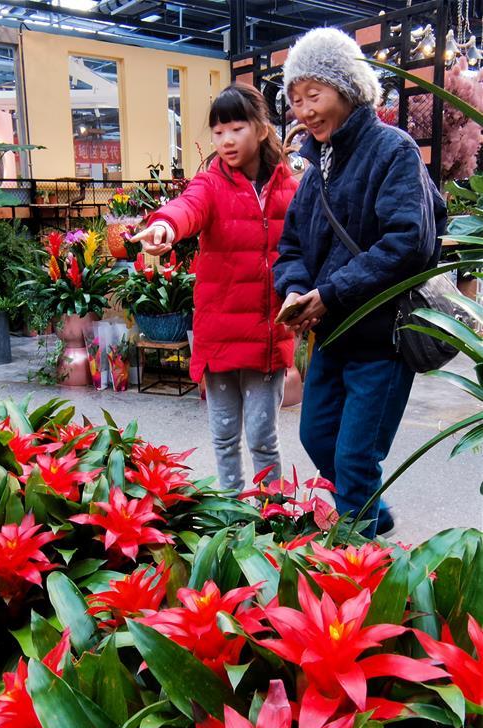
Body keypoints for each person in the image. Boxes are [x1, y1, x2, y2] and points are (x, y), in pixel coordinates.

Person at [273, 27, 447, 537]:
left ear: (347, 89)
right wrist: (294, 290)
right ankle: (374, 510)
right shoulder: (314, 171)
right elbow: (292, 248)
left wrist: (329, 293)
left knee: (353, 459)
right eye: (296, 99)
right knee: (317, 437)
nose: (304, 110)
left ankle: (358, 570)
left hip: (381, 340)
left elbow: (408, 241)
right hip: (331, 336)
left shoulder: (394, 151)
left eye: (314, 95)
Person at [131, 83, 298, 493]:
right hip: (220, 337)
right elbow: (185, 208)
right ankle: (229, 511)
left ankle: (268, 515)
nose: (225, 140)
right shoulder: (210, 184)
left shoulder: (290, 188)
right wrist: (163, 226)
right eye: (218, 131)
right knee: (224, 438)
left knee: (263, 438)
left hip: (267, 337)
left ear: (261, 129)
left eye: (236, 128)